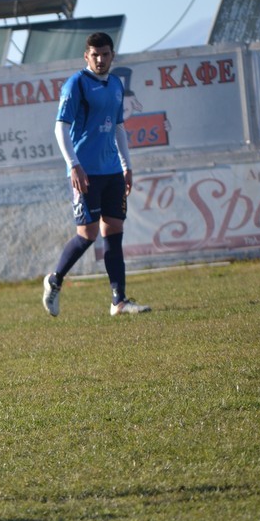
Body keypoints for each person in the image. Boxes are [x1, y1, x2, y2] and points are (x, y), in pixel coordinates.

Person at [42, 32, 151, 317]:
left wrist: (127, 166)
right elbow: (60, 127)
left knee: (114, 231)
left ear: (112, 55)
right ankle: (55, 280)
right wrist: (74, 165)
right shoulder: (76, 84)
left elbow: (118, 127)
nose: (100, 59)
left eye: (104, 54)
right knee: (88, 234)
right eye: (95, 55)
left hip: (112, 170)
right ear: (86, 56)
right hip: (86, 171)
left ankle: (119, 301)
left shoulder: (116, 84)